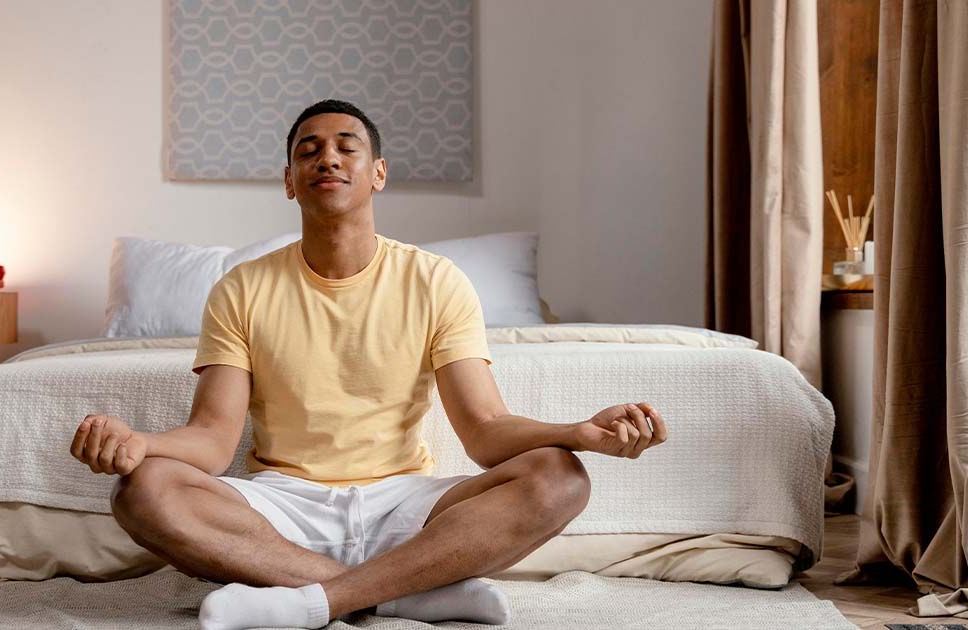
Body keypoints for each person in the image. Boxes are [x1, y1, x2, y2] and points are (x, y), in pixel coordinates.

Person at [69, 99, 668, 630]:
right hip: (283, 503)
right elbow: (212, 440)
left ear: (377, 173)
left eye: (345, 147)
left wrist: (578, 434)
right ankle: (401, 594)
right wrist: (138, 443)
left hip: (406, 501)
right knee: (142, 490)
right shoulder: (241, 289)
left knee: (560, 477)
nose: (327, 158)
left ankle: (317, 600)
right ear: (289, 181)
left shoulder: (437, 281)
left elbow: (485, 433)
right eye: (309, 151)